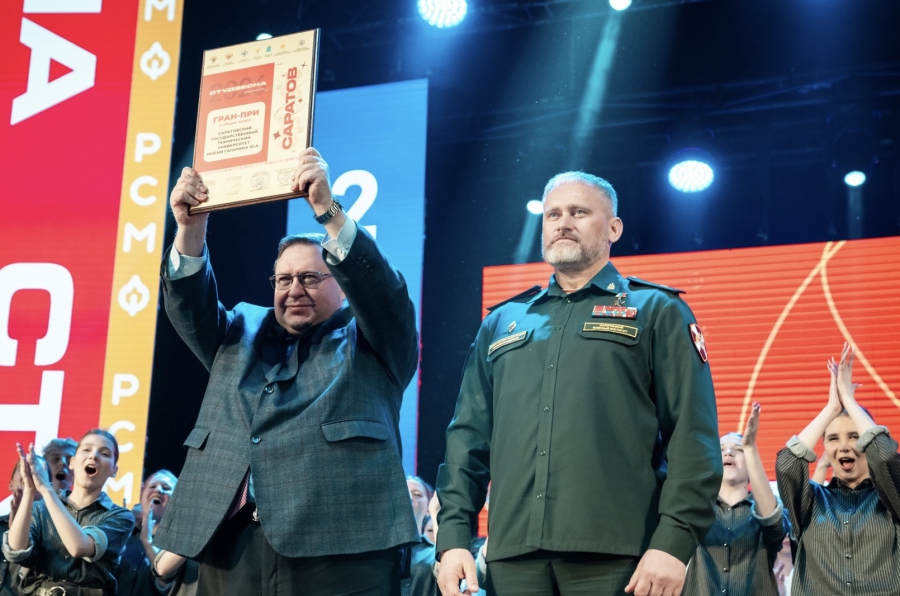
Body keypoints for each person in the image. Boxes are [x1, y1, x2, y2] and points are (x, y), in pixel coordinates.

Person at [435, 171, 722, 596]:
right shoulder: (502, 322)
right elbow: (468, 438)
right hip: (512, 556)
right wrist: (454, 536)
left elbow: (692, 436)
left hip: (619, 556)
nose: (563, 223)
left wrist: (673, 544)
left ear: (613, 228)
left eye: (579, 212)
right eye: (553, 214)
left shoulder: (657, 310)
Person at [152, 147, 420, 596]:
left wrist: (328, 211)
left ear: (342, 286)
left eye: (310, 278)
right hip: (231, 545)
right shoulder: (240, 329)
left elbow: (385, 294)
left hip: (341, 548)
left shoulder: (372, 341)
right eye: (283, 279)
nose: (294, 289)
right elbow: (187, 305)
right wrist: (190, 226)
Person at [776, 343, 900, 595]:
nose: (844, 446)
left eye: (854, 436)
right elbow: (787, 465)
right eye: (833, 438)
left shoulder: (890, 499)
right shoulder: (810, 501)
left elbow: (885, 456)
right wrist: (831, 408)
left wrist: (851, 403)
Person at [2, 430, 134, 596]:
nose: (93, 456)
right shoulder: (40, 508)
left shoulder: (120, 516)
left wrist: (46, 489)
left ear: (114, 470)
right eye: (86, 449)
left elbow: (79, 547)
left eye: (104, 453)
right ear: (72, 462)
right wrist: (29, 491)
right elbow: (16, 551)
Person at [683, 403, 789, 595]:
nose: (729, 452)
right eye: (721, 449)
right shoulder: (696, 507)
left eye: (738, 449)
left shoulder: (766, 505)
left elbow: (774, 524)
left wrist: (750, 447)